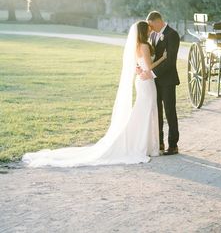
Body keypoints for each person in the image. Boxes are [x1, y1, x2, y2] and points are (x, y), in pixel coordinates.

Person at [22, 21, 165, 168]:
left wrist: (140, 69)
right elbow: (148, 67)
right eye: (148, 31)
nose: (150, 33)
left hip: (140, 81)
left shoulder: (136, 47)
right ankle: (143, 145)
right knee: (147, 111)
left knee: (143, 111)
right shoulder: (144, 46)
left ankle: (142, 143)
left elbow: (137, 66)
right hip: (146, 83)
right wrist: (163, 58)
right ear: (142, 32)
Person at [140, 11, 180, 156]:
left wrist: (153, 73)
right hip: (153, 82)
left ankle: (173, 144)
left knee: (170, 112)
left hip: (168, 80)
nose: (149, 29)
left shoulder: (172, 35)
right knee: (156, 113)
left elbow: (170, 61)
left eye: (151, 25)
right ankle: (159, 142)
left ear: (158, 21)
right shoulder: (153, 35)